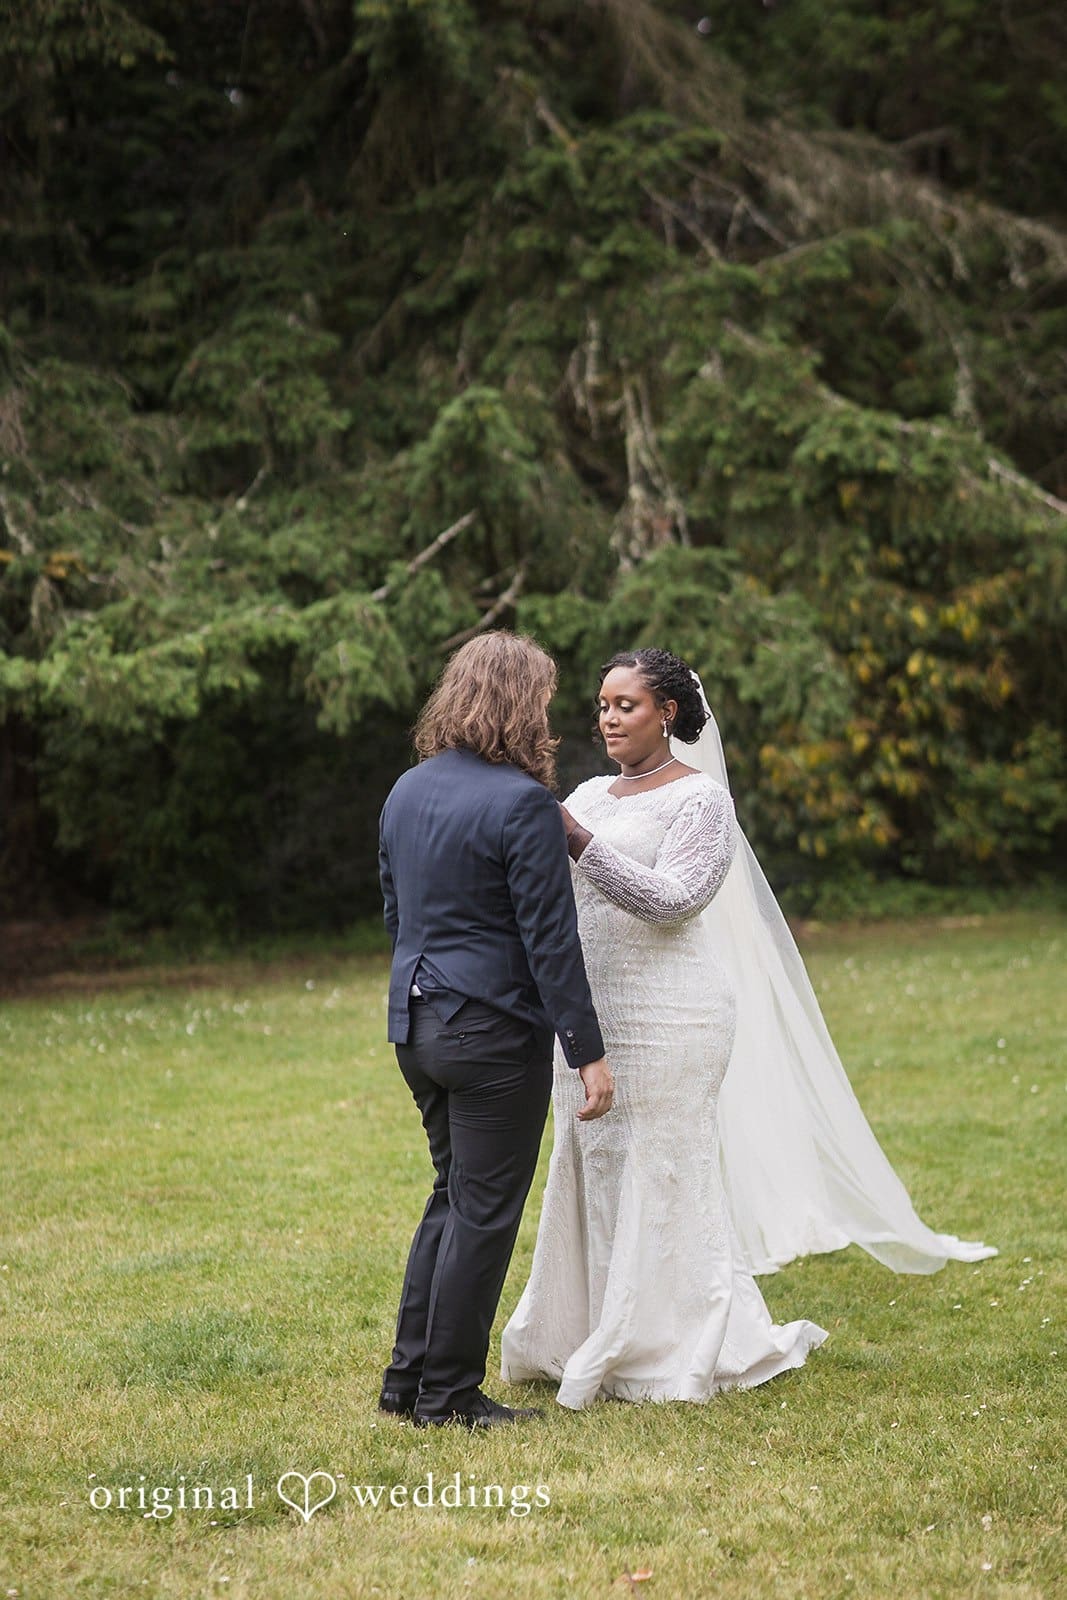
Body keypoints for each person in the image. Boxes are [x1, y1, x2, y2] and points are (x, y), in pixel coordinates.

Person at [501, 647, 995, 1409]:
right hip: (590, 1018)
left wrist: (578, 840)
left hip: (671, 1013)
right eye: (601, 704)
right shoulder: (591, 792)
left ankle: (671, 1337)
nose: (606, 718)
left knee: (661, 1166)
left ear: (667, 714)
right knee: (590, 1162)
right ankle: (585, 1328)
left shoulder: (700, 803)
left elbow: (676, 900)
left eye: (624, 705)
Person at [378, 631, 614, 1429]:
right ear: (520, 704)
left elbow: (395, 913)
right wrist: (588, 1055)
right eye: (543, 699)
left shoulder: (405, 792)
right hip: (489, 1036)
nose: (549, 713)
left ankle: (405, 1383)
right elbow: (552, 941)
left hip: (416, 1025)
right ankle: (446, 1398)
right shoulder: (521, 804)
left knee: (451, 1198)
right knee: (481, 1213)